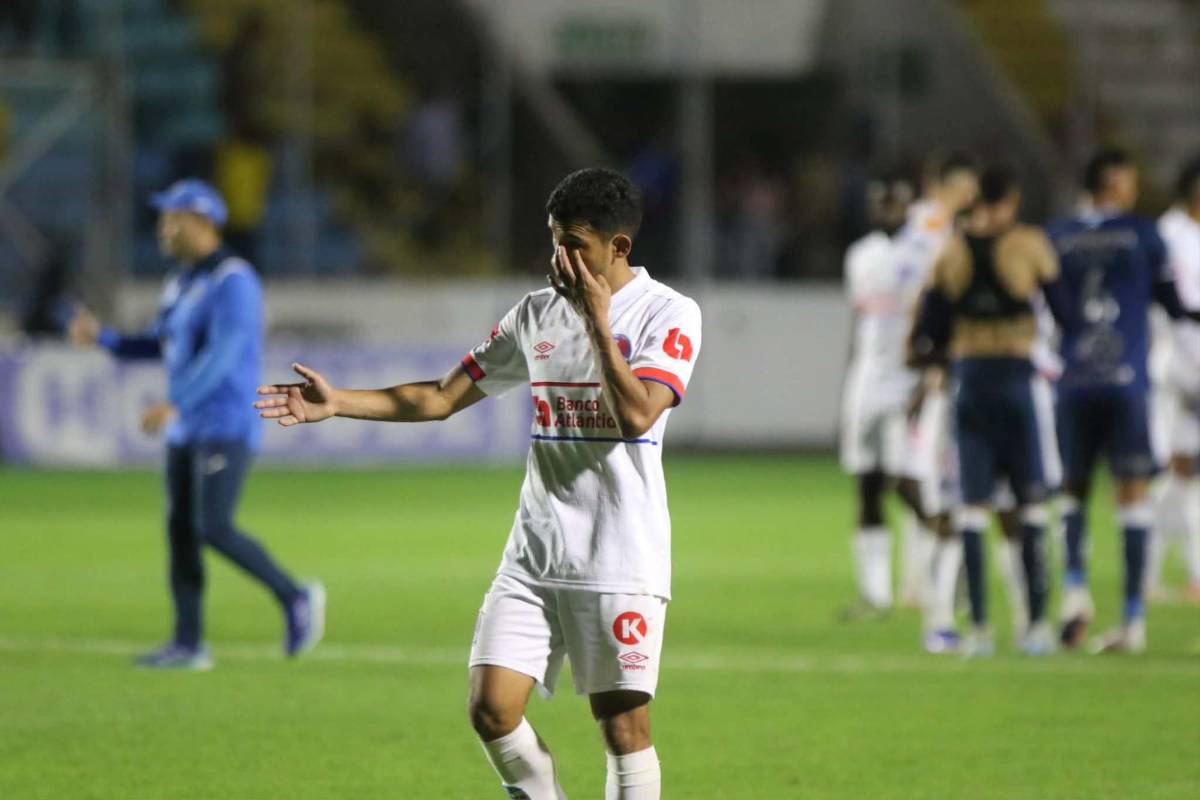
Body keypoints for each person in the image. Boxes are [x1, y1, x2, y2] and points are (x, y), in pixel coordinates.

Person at [255, 168, 700, 799]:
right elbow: (440, 397)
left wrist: (599, 322)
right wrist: (339, 402)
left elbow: (637, 415)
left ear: (618, 248)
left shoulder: (669, 314)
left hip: (619, 556)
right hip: (535, 554)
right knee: (491, 709)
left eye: (574, 243)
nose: (559, 258)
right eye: (553, 241)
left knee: (623, 730)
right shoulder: (536, 314)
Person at [68, 179, 324, 670]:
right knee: (181, 532)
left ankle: (296, 596)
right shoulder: (180, 283)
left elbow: (225, 355)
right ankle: (189, 644)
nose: (162, 228)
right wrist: (100, 338)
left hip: (224, 423)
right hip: (187, 427)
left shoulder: (235, 281)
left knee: (214, 526)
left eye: (172, 218)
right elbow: (156, 344)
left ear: (202, 222)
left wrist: (176, 401)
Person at [910, 163, 1070, 656]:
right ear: (1012, 201)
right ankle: (1037, 626)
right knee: (1032, 504)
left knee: (973, 507)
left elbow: (926, 331)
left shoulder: (951, 252)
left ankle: (979, 629)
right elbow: (1064, 312)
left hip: (970, 381)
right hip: (1018, 380)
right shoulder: (1029, 245)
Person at [1047, 147, 1200, 653]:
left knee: (1072, 491)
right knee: (1132, 497)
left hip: (1074, 381)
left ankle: (1073, 588)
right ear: (1113, 183)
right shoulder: (1144, 234)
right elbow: (1176, 305)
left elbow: (1049, 311)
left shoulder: (1058, 236)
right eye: (1129, 180)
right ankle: (1132, 621)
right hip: (1128, 381)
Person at [892, 153, 980, 652]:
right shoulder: (935, 230)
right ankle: (932, 588)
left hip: (938, 376)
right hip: (935, 376)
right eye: (965, 190)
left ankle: (930, 589)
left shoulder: (936, 232)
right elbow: (925, 298)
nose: (970, 200)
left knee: (931, 488)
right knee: (923, 486)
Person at [838, 168, 929, 616]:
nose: (886, 209)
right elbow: (860, 323)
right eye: (880, 201)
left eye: (895, 201)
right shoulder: (860, 255)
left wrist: (930, 379)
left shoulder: (928, 251)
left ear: (911, 204)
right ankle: (876, 594)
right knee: (868, 484)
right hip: (867, 381)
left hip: (910, 380)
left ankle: (946, 569)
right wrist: (850, 378)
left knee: (909, 482)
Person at [1148, 156, 1200, 603]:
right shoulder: (1168, 236)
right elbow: (1174, 313)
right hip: (1179, 365)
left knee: (1184, 473)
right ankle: (1180, 570)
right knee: (1181, 467)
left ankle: (1157, 564)